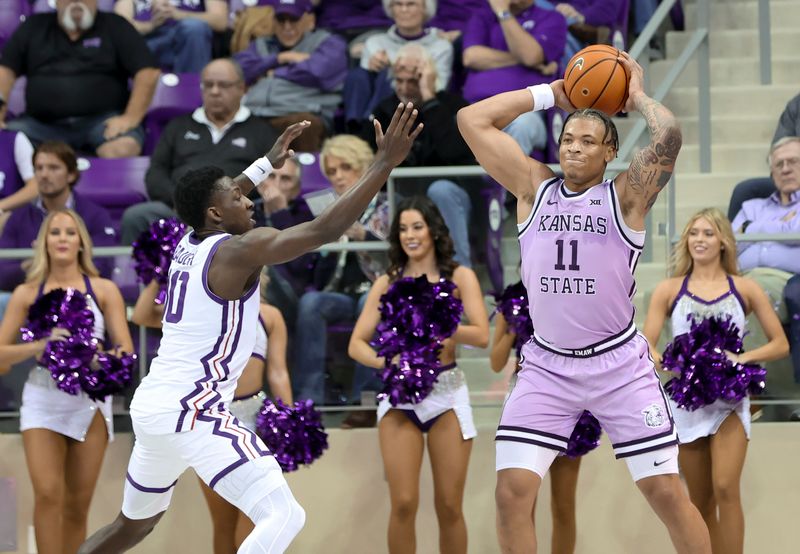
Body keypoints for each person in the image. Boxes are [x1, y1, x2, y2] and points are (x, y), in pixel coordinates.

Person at [77, 103, 422, 553]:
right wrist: (382, 164)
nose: (249, 198)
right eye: (239, 199)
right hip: (192, 410)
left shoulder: (189, 237)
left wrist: (266, 163)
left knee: (131, 527)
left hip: (154, 405)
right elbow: (324, 229)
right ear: (217, 215)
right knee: (284, 514)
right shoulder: (240, 249)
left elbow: (220, 193)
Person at [457, 53, 712, 552]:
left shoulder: (627, 197)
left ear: (609, 152)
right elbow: (472, 120)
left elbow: (669, 137)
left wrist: (635, 96)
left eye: (588, 141)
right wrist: (551, 93)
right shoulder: (533, 187)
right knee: (512, 493)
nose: (574, 148)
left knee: (665, 492)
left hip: (618, 365)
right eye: (568, 139)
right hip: (547, 366)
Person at [348, 196, 489, 554]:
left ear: (433, 230)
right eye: (403, 229)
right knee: (404, 502)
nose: (410, 235)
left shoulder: (459, 276)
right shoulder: (387, 282)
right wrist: (387, 363)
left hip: (447, 391)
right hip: (399, 398)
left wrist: (440, 326)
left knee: (449, 505)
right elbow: (357, 344)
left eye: (417, 227)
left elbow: (482, 334)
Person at [643, 208, 789, 554]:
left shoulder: (744, 287)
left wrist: (742, 358)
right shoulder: (669, 289)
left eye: (708, 233)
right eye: (693, 233)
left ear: (723, 240)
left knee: (726, 488)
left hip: (730, 400)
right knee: (701, 499)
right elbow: (646, 342)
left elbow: (780, 343)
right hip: (687, 403)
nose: (699, 240)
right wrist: (662, 360)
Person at [0, 209, 134, 554]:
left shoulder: (104, 290)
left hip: (89, 401)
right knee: (47, 494)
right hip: (43, 396)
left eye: (69, 232)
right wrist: (40, 346)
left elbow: (126, 351)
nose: (62, 238)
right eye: (55, 232)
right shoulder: (26, 293)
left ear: (80, 243)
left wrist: (94, 356)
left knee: (77, 504)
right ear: (44, 242)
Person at [131, 276, 293, 553]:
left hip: (257, 421)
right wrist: (160, 274)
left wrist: (288, 418)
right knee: (223, 520)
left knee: (257, 517)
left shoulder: (270, 316)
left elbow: (278, 371)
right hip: (210, 421)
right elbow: (142, 315)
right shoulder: (199, 311)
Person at [120, 58, 279, 245]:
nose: (215, 91)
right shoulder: (178, 127)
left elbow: (272, 179)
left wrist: (232, 206)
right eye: (208, 85)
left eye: (223, 85)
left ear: (242, 88)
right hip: (179, 211)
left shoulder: (261, 131)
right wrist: (184, 203)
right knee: (136, 216)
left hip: (235, 215)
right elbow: (156, 173)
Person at [292, 134, 391, 408]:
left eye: (345, 168)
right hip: (340, 294)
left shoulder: (386, 203)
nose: (338, 177)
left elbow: (397, 253)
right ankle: (309, 397)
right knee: (311, 302)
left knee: (368, 302)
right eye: (332, 171)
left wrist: (362, 235)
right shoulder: (330, 211)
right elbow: (320, 276)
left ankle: (365, 396)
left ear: (363, 167)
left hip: (376, 289)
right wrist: (325, 245)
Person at [362, 44, 479, 267]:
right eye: (399, 80)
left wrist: (430, 99)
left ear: (430, 76)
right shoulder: (386, 110)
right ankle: (400, 273)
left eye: (413, 81)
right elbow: (365, 156)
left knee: (440, 190)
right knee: (392, 198)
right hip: (405, 196)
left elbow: (452, 150)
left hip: (454, 194)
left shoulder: (453, 106)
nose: (405, 89)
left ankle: (457, 273)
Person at [0, 0, 160, 158]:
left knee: (123, 148)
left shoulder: (116, 26)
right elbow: (5, 72)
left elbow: (147, 72)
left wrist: (130, 118)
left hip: (102, 122)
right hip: (40, 125)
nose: (76, 1)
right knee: (3, 143)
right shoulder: (33, 27)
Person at [490, 285, 582, 554]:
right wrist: (513, 327)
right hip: (527, 400)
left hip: (571, 396)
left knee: (563, 504)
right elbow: (496, 363)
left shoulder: (573, 290)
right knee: (521, 503)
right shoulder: (512, 299)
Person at [0, 141, 117, 294]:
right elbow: (2, 274)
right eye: (39, 168)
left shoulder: (95, 215)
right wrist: (33, 266)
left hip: (81, 294)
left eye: (53, 168)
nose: (44, 175)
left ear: (71, 175)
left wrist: (54, 263)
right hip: (29, 295)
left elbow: (103, 266)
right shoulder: (17, 218)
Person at [235, 0, 347, 152]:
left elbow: (317, 72)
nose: (287, 27)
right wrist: (281, 58)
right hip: (257, 113)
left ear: (309, 20)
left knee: (302, 125)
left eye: (294, 19)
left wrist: (273, 72)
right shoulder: (262, 44)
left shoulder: (327, 42)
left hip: (301, 112)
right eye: (281, 20)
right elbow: (237, 71)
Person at [731, 136, 800, 383]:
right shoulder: (751, 205)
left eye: (792, 161)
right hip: (738, 276)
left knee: (754, 291)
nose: (785, 168)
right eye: (778, 164)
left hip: (786, 280)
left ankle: (746, 382)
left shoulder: (752, 217)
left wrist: (751, 230)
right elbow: (729, 245)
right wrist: (783, 227)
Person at [461, 0, 567, 155]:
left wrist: (504, 13)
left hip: (528, 110)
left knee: (522, 126)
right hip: (479, 106)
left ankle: (507, 179)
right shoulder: (483, 16)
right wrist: (525, 58)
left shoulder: (551, 18)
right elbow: (471, 57)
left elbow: (531, 56)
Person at [343, 0, 453, 131]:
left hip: (415, 102)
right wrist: (373, 67)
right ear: (390, 9)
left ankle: (374, 126)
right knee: (357, 75)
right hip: (372, 104)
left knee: (391, 77)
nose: (404, 10)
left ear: (425, 9)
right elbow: (361, 84)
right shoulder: (375, 42)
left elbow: (440, 86)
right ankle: (355, 128)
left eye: (411, 4)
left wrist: (398, 68)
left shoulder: (440, 46)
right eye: (398, 4)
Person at [728, 92, 800, 221]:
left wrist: (750, 228)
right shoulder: (797, 104)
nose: (785, 168)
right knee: (746, 190)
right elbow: (780, 150)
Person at [114, 0, 227, 74]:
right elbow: (119, 26)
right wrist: (151, 25)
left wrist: (177, 14)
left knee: (194, 28)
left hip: (191, 39)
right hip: (150, 40)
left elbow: (220, 21)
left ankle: (193, 96)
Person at [0, 100, 37, 233]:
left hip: (8, 213)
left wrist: (1, 206)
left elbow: (35, 187)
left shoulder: (15, 140)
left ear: (2, 111)